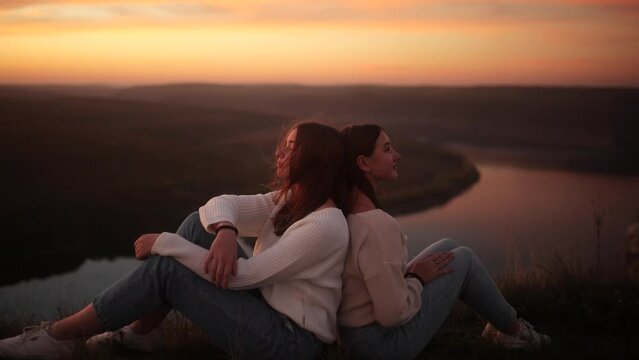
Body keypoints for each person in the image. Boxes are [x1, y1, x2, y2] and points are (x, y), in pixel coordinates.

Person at [0, 122, 350, 360]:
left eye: (290, 148)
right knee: (195, 226)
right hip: (269, 310)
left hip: (289, 343)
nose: (279, 155)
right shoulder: (288, 201)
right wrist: (226, 230)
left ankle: (60, 337)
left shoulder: (325, 223)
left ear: (313, 160)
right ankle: (141, 334)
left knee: (170, 267)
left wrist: (165, 243)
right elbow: (214, 206)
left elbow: (244, 276)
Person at [337, 124, 551, 359]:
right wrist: (417, 279)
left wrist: (410, 279)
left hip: (356, 337)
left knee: (448, 247)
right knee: (464, 260)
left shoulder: (345, 212)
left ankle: (501, 322)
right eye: (387, 149)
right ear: (364, 163)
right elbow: (393, 315)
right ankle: (514, 332)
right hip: (382, 347)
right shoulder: (377, 225)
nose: (397, 155)